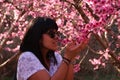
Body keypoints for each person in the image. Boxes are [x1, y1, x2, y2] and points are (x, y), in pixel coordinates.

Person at [17, 17, 89, 80]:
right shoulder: (26, 57)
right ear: (38, 36)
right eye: (51, 34)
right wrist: (67, 59)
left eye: (57, 34)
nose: (56, 37)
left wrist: (71, 57)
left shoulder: (55, 57)